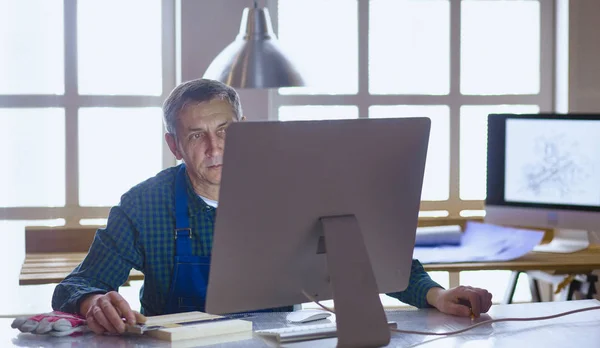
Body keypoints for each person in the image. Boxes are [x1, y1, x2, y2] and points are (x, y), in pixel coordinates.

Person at [51, 78, 493, 335]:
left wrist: (437, 294)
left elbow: (373, 259)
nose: (214, 147)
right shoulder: (144, 203)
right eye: (195, 135)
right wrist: (94, 302)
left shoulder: (297, 185)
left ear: (244, 127)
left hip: (281, 342)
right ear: (173, 144)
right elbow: (76, 285)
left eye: (224, 130)